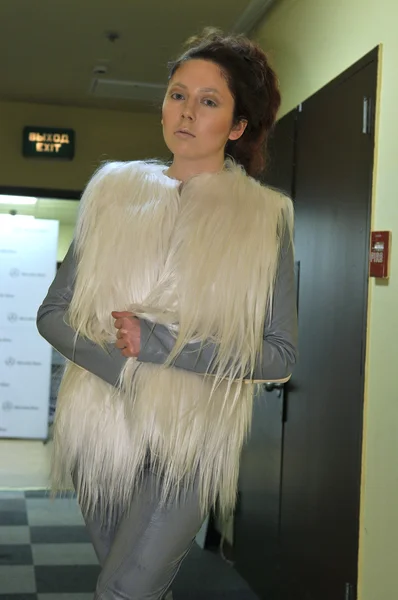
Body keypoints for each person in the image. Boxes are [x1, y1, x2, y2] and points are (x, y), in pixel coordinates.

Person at [37, 28, 297, 600]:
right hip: (100, 429)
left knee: (121, 592)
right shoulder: (112, 196)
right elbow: (52, 314)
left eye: (209, 101)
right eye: (178, 94)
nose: (186, 112)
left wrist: (157, 346)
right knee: (136, 588)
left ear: (236, 126)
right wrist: (126, 371)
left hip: (188, 439)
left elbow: (279, 355)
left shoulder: (263, 220)